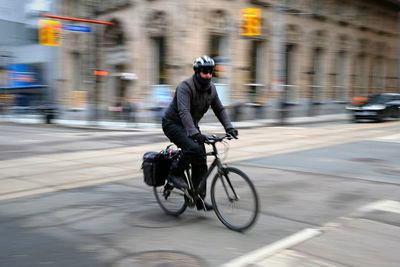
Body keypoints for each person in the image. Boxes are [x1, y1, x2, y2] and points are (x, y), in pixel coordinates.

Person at [162, 55, 238, 211]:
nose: (208, 75)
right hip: (172, 123)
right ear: (197, 72)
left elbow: (219, 109)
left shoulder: (212, 89)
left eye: (211, 71)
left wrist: (229, 127)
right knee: (193, 148)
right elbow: (183, 112)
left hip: (191, 125)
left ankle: (198, 198)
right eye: (205, 71)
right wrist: (193, 133)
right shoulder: (185, 87)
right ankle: (174, 174)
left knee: (201, 159)